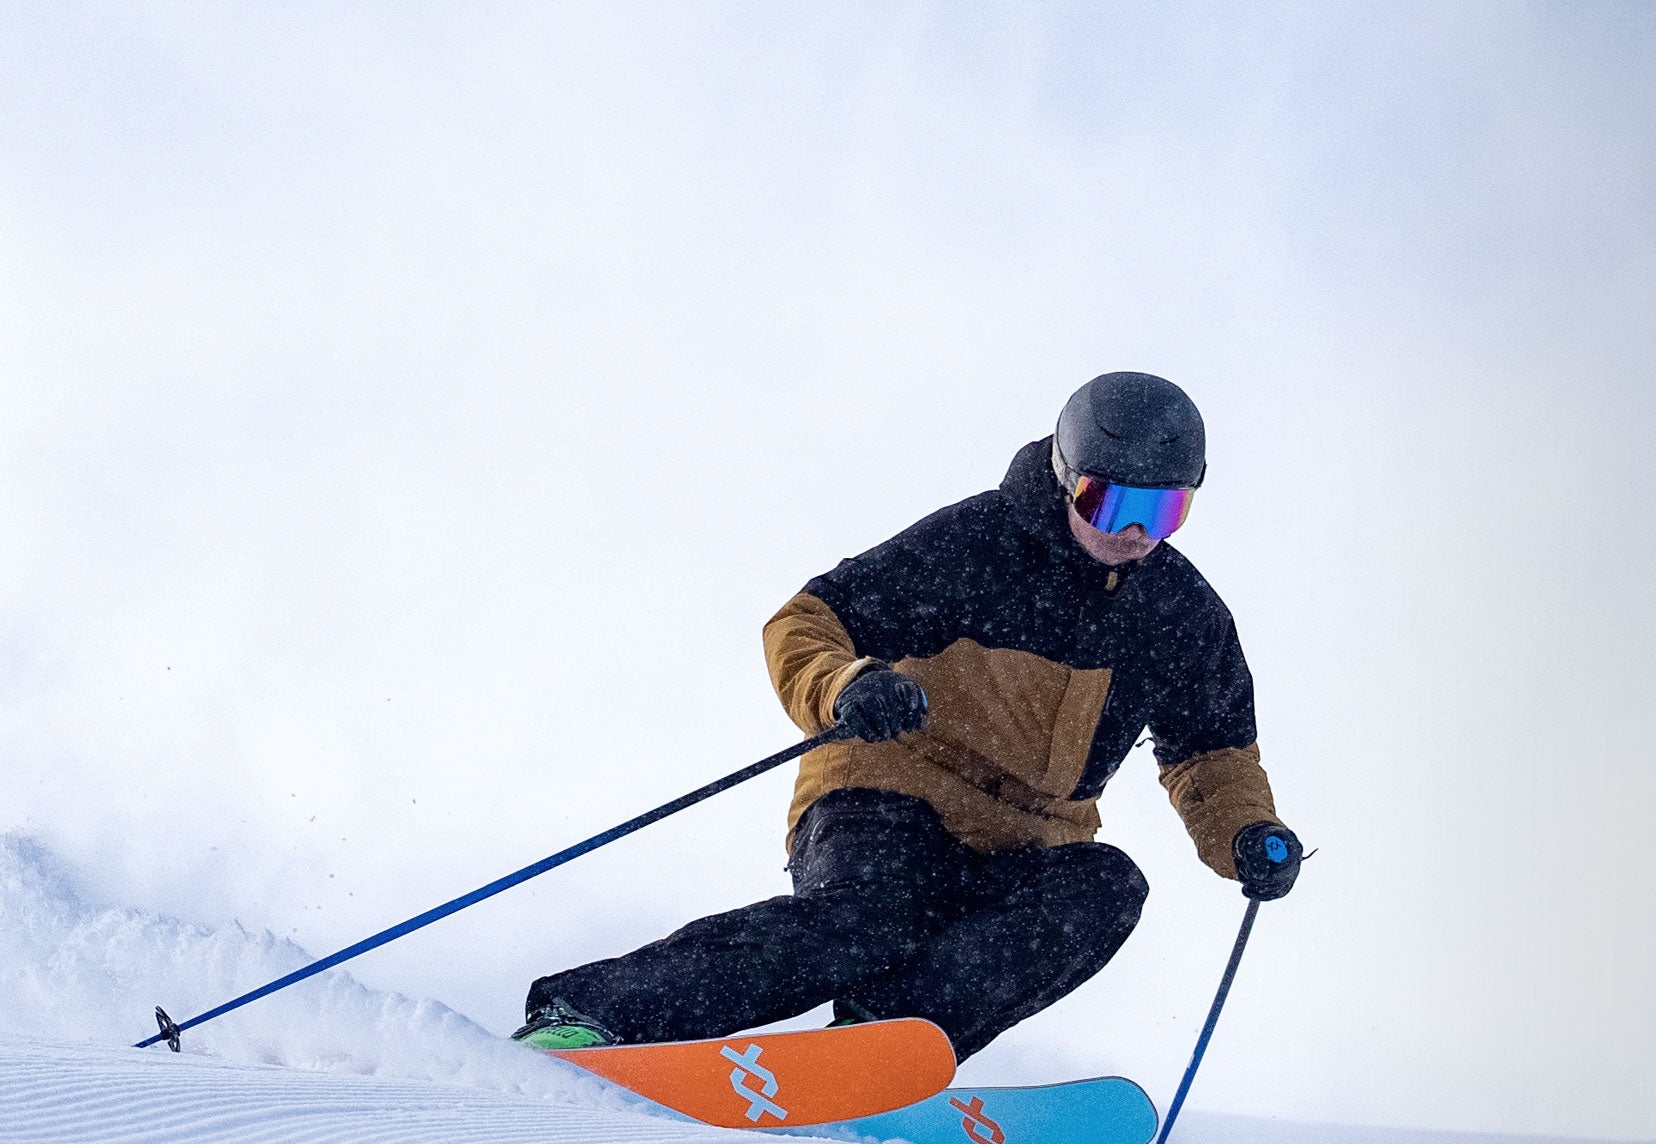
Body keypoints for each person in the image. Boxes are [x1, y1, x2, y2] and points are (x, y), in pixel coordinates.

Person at [514, 372, 1303, 1058]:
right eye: (1110, 502)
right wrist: (848, 684)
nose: (1132, 534)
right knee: (871, 919)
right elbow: (806, 621)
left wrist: (1245, 836)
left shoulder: (1182, 616)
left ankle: (881, 1041)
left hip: (1031, 836)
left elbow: (1211, 755)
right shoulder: (979, 545)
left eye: (1162, 513)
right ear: (1067, 479)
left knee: (1105, 889)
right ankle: (592, 1017)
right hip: (891, 790)